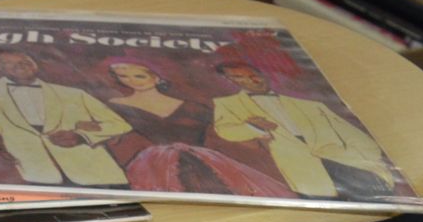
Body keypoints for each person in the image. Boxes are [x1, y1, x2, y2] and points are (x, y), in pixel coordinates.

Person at [100, 60, 291, 198]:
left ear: (157, 77)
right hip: (151, 163)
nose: (131, 81)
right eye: (123, 76)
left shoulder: (195, 107)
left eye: (139, 75)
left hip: (205, 160)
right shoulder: (115, 105)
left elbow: (221, 135)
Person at [210, 61, 396, 201]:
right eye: (243, 77)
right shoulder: (227, 104)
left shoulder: (311, 105)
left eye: (255, 74)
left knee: (378, 195)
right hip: (301, 168)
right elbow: (225, 131)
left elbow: (352, 133)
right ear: (231, 81)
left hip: (341, 158)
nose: (255, 80)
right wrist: (253, 127)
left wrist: (365, 156)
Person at [0, 49, 131, 186]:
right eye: (9, 63)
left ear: (34, 63)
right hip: (33, 175)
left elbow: (118, 124)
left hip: (97, 175)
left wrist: (82, 136)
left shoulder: (73, 94)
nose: (21, 65)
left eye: (26, 61)